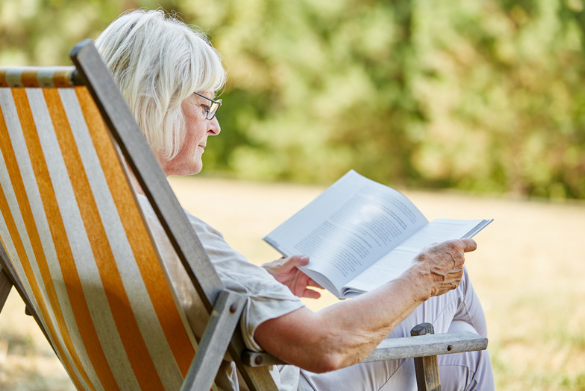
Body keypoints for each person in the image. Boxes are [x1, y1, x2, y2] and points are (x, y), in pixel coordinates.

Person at [95, 9, 494, 391]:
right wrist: (421, 277)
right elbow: (324, 346)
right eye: (204, 106)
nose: (214, 126)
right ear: (156, 104)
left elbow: (171, 311)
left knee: (458, 338)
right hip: (278, 382)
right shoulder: (167, 228)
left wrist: (246, 292)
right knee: (458, 323)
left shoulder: (92, 213)